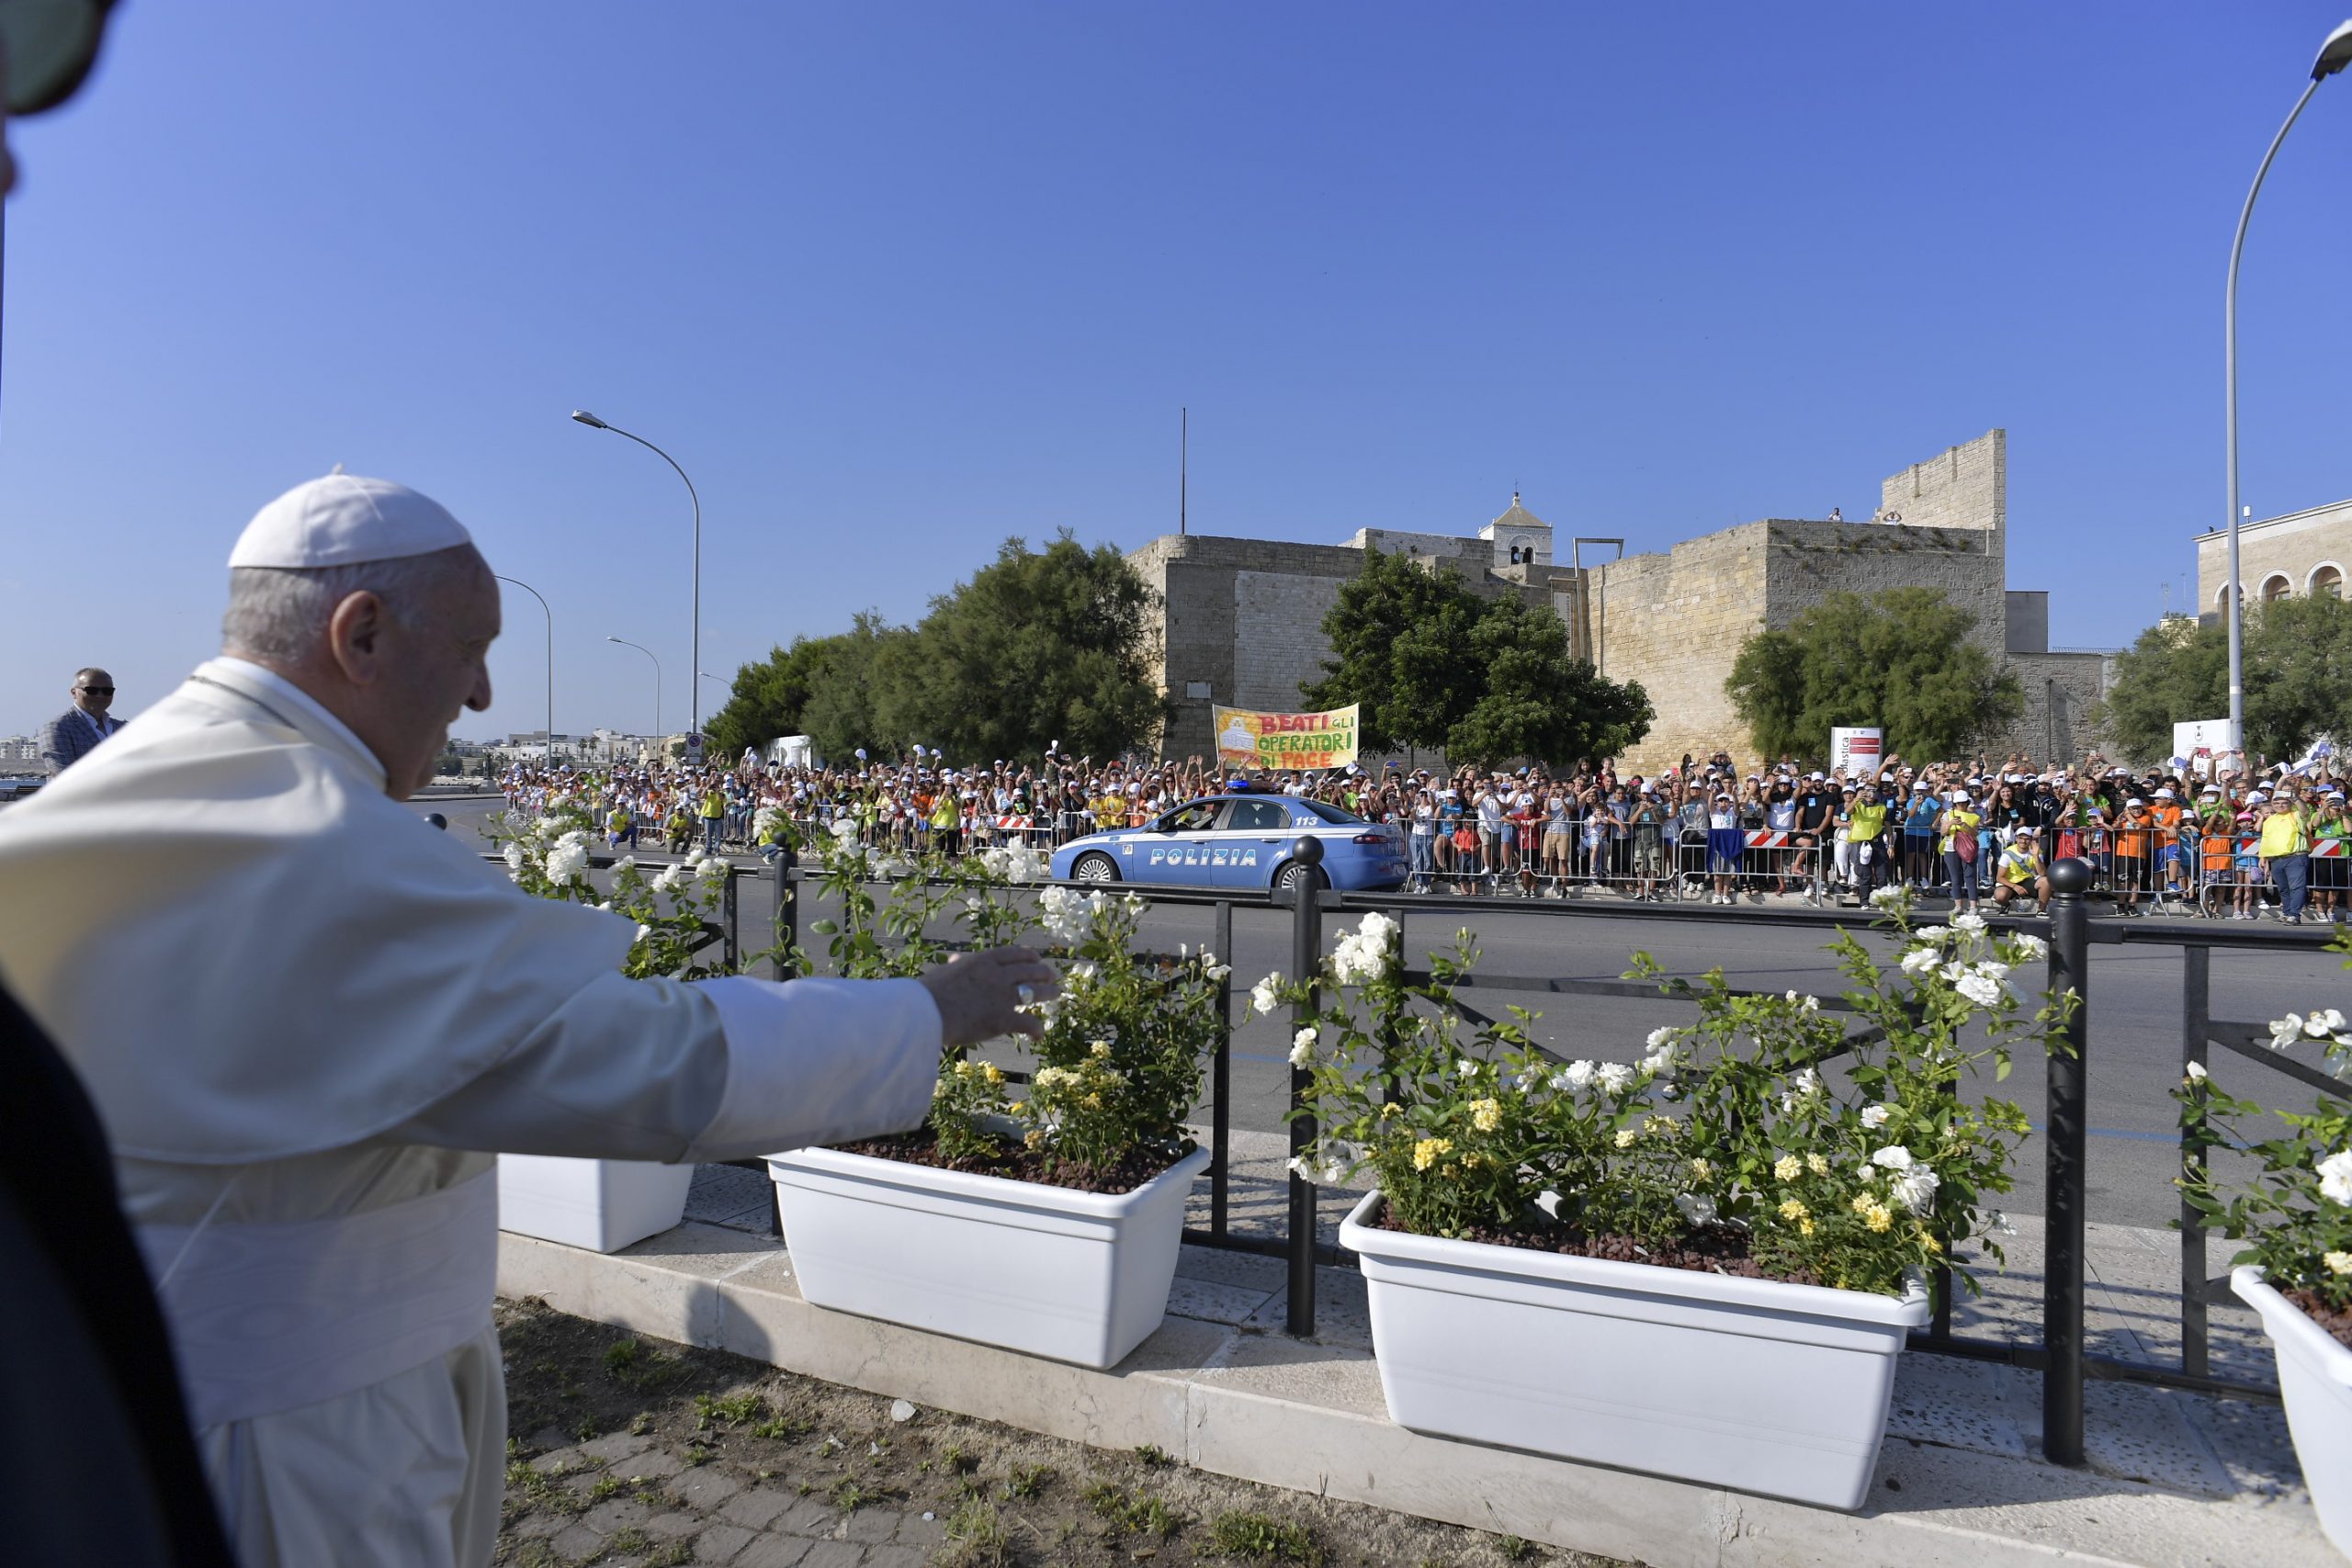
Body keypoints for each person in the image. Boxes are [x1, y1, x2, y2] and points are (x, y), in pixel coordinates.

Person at [0, 475, 1059, 1568]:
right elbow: (653, 1066)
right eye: (470, 646)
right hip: (284, 1460)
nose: (485, 693)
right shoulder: (304, 841)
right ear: (359, 635)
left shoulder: (159, 782)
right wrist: (926, 1011)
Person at [37, 666, 123, 776]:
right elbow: (64, 776)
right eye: (92, 690)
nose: (100, 695)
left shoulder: (123, 728)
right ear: (74, 692)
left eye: (107, 691)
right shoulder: (58, 728)